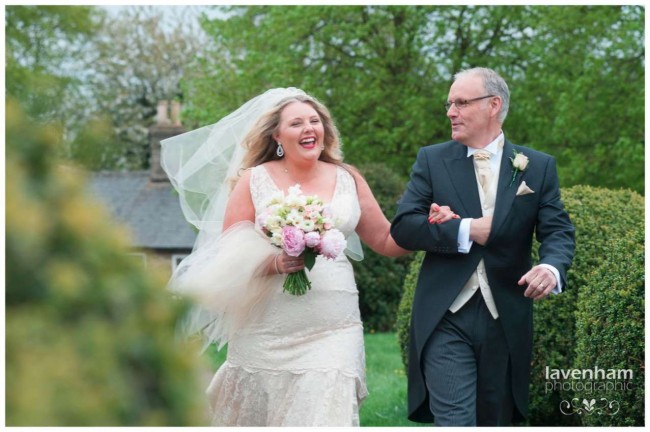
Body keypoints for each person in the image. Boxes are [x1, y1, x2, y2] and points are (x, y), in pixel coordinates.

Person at [161, 88, 454, 426]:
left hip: (334, 327)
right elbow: (228, 256)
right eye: (296, 123)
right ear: (277, 136)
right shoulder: (253, 181)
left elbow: (387, 241)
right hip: (266, 331)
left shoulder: (348, 178)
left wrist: (429, 226)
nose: (309, 129)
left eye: (315, 121)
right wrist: (275, 262)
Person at [391, 68, 576, 426]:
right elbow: (404, 228)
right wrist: (465, 229)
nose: (450, 111)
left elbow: (558, 232)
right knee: (455, 420)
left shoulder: (536, 166)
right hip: (445, 315)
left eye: (461, 102)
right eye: (449, 103)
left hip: (505, 314)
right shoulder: (432, 160)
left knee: (497, 420)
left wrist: (550, 268)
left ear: (494, 105)